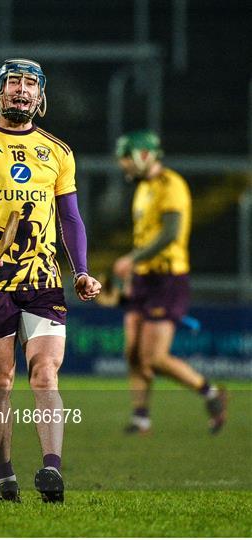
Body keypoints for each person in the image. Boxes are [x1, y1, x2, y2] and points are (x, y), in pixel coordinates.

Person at [0, 58, 101, 502]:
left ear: (40, 95)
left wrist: (83, 270)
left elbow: (70, 218)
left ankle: (52, 472)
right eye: (13, 82)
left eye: (29, 83)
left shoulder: (58, 150)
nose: (21, 89)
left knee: (45, 374)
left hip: (43, 279)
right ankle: (5, 479)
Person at [112, 130, 226, 435]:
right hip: (143, 279)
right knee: (133, 352)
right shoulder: (142, 189)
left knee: (155, 358)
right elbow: (143, 236)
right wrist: (133, 274)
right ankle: (141, 417)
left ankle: (211, 392)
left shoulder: (171, 185)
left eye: (126, 158)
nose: (123, 165)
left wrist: (131, 260)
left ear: (144, 155)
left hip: (167, 278)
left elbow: (170, 233)